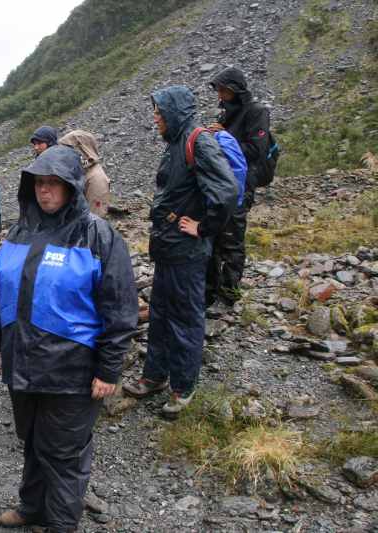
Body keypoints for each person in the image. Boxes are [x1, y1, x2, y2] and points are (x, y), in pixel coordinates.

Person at [0, 145, 138, 533]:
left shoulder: (97, 236)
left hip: (71, 370)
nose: (44, 190)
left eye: (53, 183)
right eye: (39, 182)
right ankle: (32, 507)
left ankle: (61, 524)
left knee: (64, 453)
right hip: (22, 363)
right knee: (33, 441)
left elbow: (119, 308)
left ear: (71, 186)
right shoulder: (18, 233)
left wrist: (108, 369)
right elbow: (0, 291)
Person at [123, 86, 237, 416]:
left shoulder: (198, 141)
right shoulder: (176, 142)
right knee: (160, 313)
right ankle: (155, 376)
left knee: (185, 318)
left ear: (174, 112)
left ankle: (183, 387)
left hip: (187, 251)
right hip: (169, 249)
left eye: (159, 111)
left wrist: (203, 227)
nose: (155, 117)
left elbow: (227, 192)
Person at [206, 67, 271, 307]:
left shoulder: (256, 112)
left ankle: (229, 293)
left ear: (236, 90)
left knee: (232, 238)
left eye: (224, 90)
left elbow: (256, 150)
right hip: (221, 183)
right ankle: (210, 291)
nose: (220, 95)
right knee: (213, 235)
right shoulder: (227, 113)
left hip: (243, 185)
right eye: (218, 90)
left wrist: (225, 137)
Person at [59, 129, 112, 217]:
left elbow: (95, 218)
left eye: (68, 150)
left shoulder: (96, 179)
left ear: (82, 151)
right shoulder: (79, 171)